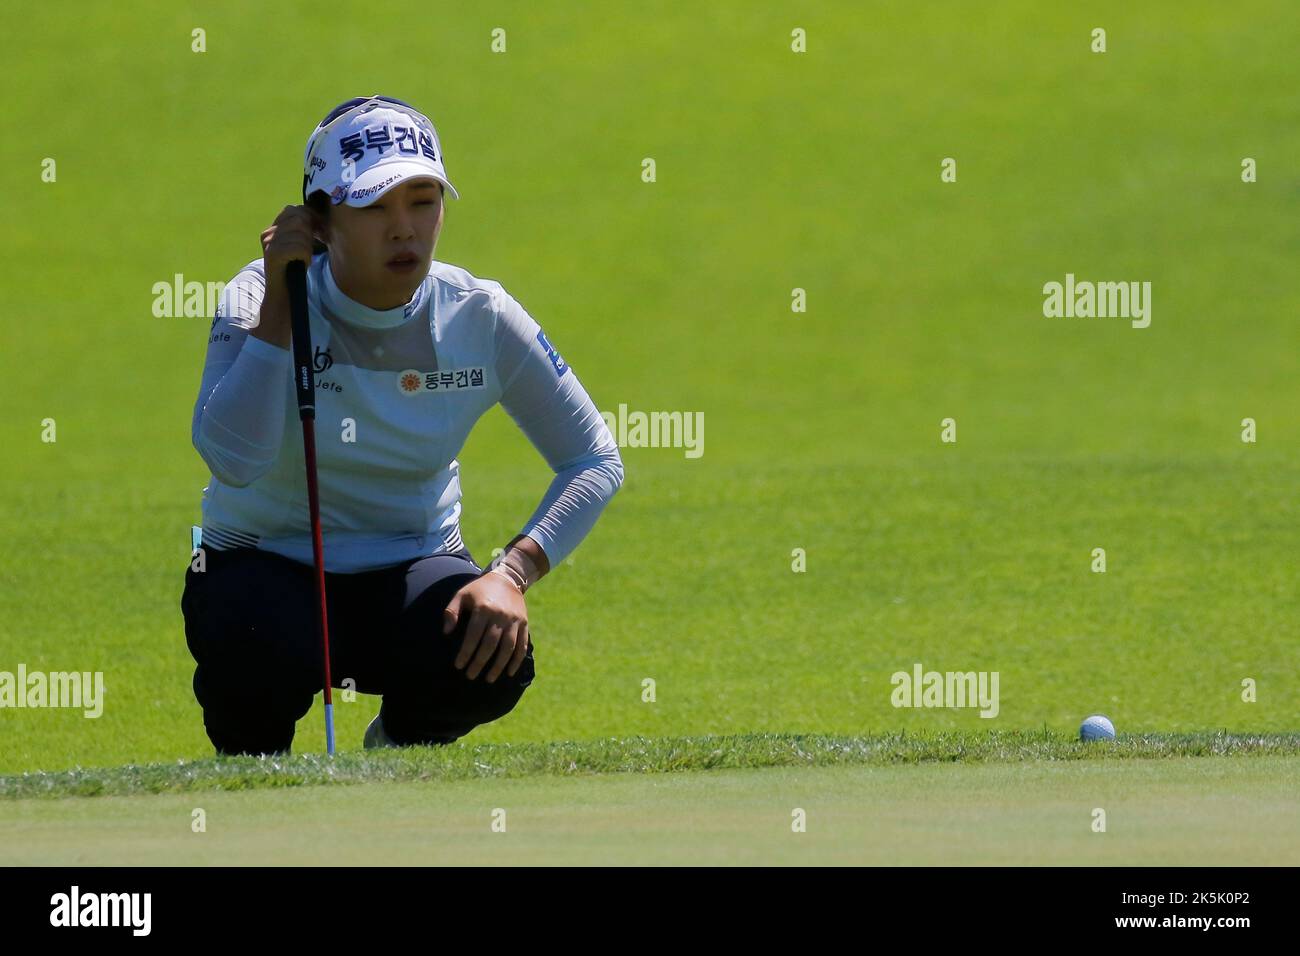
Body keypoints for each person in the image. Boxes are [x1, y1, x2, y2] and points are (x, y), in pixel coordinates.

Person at [181, 95, 624, 756]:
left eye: (423, 201)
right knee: (252, 638)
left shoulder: (478, 314)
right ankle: (253, 779)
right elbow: (232, 458)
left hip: (411, 563)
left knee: (491, 648)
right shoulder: (259, 293)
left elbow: (594, 459)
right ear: (320, 220)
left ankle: (398, 751)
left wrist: (510, 572)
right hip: (259, 560)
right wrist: (282, 300)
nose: (404, 230)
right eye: (373, 206)